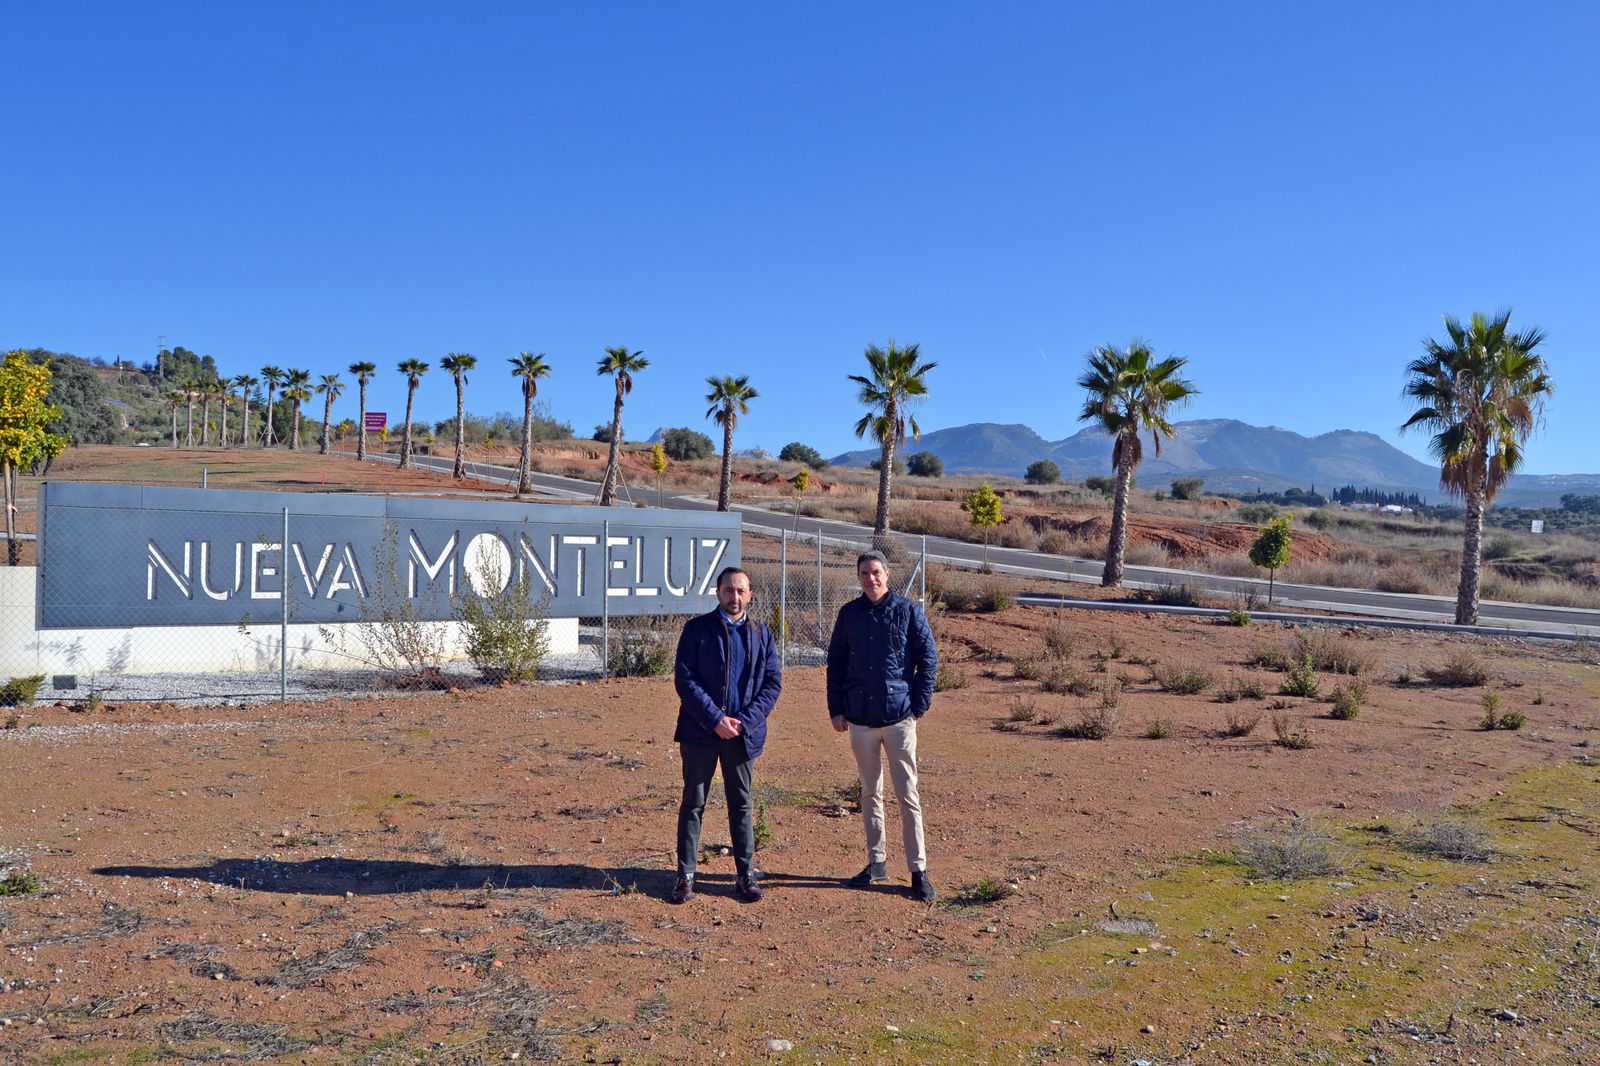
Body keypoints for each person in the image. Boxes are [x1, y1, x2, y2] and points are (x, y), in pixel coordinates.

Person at [826, 549, 939, 903]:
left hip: (899, 720)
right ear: (858, 577)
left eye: (875, 572)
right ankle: (876, 863)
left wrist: (918, 706)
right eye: (864, 573)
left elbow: (928, 659)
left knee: (908, 795)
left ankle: (918, 871)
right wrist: (837, 709)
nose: (870, 579)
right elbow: (836, 663)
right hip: (860, 720)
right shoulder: (849, 614)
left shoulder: (908, 611)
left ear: (887, 574)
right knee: (870, 793)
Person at [670, 565, 782, 904]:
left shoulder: (763, 635)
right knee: (693, 803)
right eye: (728, 590)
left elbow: (772, 684)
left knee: (741, 805)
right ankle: (685, 876)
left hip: (742, 737)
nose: (735, 597)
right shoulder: (696, 630)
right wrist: (715, 719)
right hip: (700, 733)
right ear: (718, 592)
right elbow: (685, 681)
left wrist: (744, 722)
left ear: (750, 595)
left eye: (741, 591)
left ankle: (745, 875)